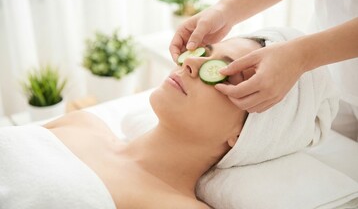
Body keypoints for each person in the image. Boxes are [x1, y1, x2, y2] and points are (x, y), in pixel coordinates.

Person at [1, 37, 263, 209]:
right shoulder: (83, 123)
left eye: (223, 75)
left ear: (243, 135)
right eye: (204, 52)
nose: (191, 62)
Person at [169, 0, 358, 140]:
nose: (190, 62)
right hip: (329, 69)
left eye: (225, 76)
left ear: (239, 138)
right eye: (208, 53)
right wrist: (225, 9)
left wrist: (303, 55)